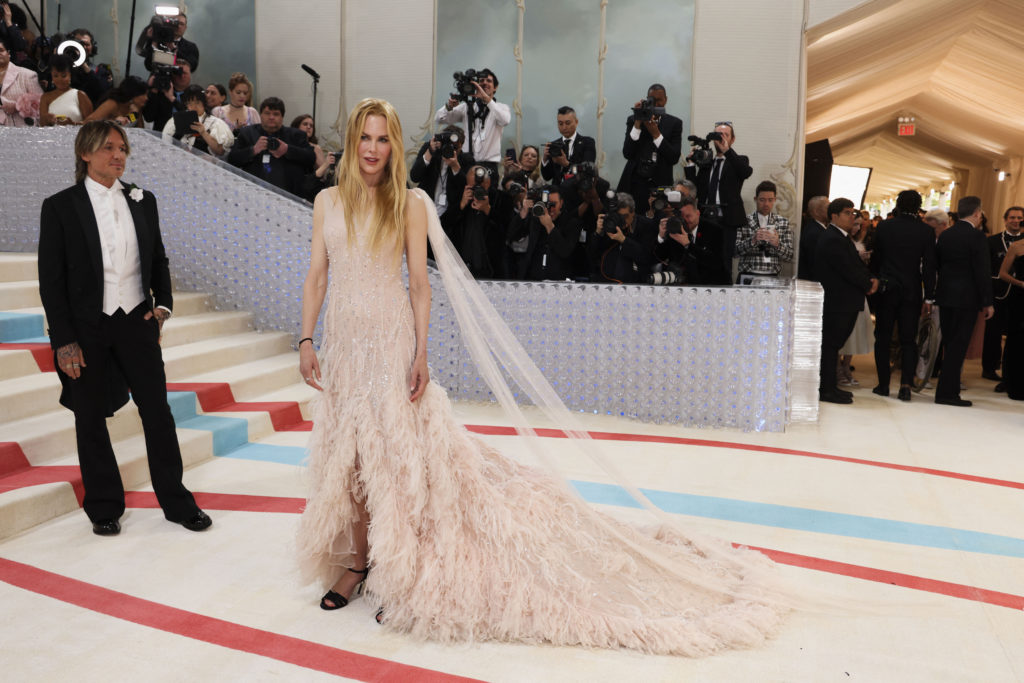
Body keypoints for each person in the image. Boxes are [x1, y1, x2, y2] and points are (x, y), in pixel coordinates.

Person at [295, 97, 783, 654]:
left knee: (395, 457)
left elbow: (420, 284)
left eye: (384, 139)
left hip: (389, 341)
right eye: (365, 138)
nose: (373, 150)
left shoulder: (408, 203)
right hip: (343, 344)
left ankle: (399, 570)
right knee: (349, 455)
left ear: (393, 145)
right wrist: (307, 338)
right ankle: (356, 562)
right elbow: (317, 275)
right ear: (353, 140)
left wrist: (421, 352)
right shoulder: (326, 201)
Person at [36, 120, 212, 536]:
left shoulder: (143, 199)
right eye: (109, 147)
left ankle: (176, 501)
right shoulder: (60, 206)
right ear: (85, 153)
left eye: (123, 149)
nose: (118, 155)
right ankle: (103, 507)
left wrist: (162, 306)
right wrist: (63, 341)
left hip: (136, 319)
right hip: (85, 328)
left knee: (158, 411)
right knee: (90, 417)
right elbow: (51, 280)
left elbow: (158, 260)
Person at [869, 190, 936, 402]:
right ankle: (906, 385)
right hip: (912, 290)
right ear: (918, 207)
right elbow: (929, 267)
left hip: (888, 288)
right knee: (909, 340)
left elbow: (876, 259)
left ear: (898, 204)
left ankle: (883, 384)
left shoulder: (885, 227)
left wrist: (874, 280)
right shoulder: (926, 231)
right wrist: (929, 297)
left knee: (883, 337)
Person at [815, 198, 878, 404]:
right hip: (837, 302)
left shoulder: (841, 237)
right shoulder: (832, 238)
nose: (853, 217)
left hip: (844, 301)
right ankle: (826, 389)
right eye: (847, 213)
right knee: (831, 346)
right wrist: (867, 284)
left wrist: (869, 280)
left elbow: (855, 266)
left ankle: (830, 387)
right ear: (834, 216)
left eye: (853, 213)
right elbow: (847, 269)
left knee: (834, 345)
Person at [934, 196, 994, 407]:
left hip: (946, 296)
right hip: (967, 298)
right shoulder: (977, 237)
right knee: (958, 347)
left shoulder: (946, 234)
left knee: (950, 344)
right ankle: (947, 394)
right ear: (977, 213)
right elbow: (982, 271)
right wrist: (987, 301)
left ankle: (945, 390)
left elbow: (939, 264)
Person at [684, 121, 752, 267]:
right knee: (703, 257)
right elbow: (694, 189)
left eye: (726, 135)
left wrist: (727, 151)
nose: (721, 139)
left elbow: (746, 172)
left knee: (725, 260)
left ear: (732, 139)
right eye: (718, 135)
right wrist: (690, 164)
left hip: (727, 219)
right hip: (705, 217)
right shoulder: (706, 162)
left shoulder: (739, 160)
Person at [226, 96, 315, 195]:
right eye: (267, 113)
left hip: (289, 194)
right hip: (254, 193)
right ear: (261, 115)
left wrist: (287, 149)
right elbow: (232, 159)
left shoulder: (296, 135)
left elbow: (311, 158)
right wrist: (253, 150)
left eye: (276, 114)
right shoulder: (247, 133)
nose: (271, 117)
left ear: (282, 117)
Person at [616, 83, 683, 213]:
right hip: (635, 183)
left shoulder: (674, 123)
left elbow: (674, 157)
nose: (656, 105)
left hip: (660, 184)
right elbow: (627, 153)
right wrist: (637, 123)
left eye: (660, 100)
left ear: (666, 100)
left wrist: (656, 134)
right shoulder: (634, 120)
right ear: (647, 100)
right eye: (652, 101)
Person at [435, 68, 510, 175]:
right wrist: (449, 106)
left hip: (489, 165)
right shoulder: (467, 106)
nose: (484, 83)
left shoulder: (501, 108)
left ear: (495, 87)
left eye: (489, 81)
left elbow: (505, 120)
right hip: (466, 163)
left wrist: (486, 99)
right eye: (481, 81)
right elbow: (439, 119)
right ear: (476, 86)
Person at [982, 206, 1024, 382]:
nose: (1015, 220)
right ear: (1005, 219)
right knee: (993, 332)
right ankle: (989, 367)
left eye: (1019, 218)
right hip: (998, 291)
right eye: (1012, 217)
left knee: (1016, 333)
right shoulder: (992, 241)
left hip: (1019, 295)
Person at [508, 185, 582, 280]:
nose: (550, 209)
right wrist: (524, 211)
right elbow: (512, 236)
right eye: (546, 204)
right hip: (532, 277)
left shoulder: (571, 222)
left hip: (559, 280)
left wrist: (549, 226)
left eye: (553, 204)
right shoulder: (535, 219)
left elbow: (565, 251)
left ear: (561, 203)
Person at [409, 125, 471, 239]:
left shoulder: (466, 160)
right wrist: (429, 153)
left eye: (455, 148)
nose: (451, 150)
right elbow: (414, 176)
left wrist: (455, 167)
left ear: (461, 146)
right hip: (424, 213)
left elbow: (465, 190)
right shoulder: (431, 150)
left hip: (448, 220)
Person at [654, 196, 731, 285]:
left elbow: (716, 263)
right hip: (682, 286)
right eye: (682, 217)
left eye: (688, 216)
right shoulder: (676, 229)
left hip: (711, 284)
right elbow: (661, 256)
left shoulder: (715, 231)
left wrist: (688, 245)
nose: (685, 220)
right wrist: (661, 237)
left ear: (697, 213)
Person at [838, 211, 874, 388]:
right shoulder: (841, 241)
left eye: (859, 224)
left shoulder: (858, 243)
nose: (857, 227)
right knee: (842, 332)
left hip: (858, 293)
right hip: (845, 292)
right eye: (855, 223)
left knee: (856, 332)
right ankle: (838, 368)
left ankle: (846, 366)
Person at [591, 193, 657, 283]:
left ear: (633, 212)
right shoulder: (609, 224)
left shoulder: (647, 225)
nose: (622, 220)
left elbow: (646, 256)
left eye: (625, 216)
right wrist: (598, 232)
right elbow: (592, 255)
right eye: (618, 216)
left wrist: (623, 240)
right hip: (606, 279)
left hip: (635, 281)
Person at [735, 180, 794, 281]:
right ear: (755, 199)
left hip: (772, 277)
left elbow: (789, 256)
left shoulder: (783, 222)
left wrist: (777, 244)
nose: (766, 204)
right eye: (762, 200)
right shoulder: (743, 220)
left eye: (770, 200)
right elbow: (734, 252)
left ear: (775, 200)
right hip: (747, 275)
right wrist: (752, 240)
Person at [161, 84, 233, 156]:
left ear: (204, 103)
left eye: (197, 102)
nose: (193, 107)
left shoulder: (215, 123)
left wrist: (204, 133)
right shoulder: (175, 121)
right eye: (189, 103)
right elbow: (165, 144)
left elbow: (221, 151)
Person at [540, 106, 597, 185]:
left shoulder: (587, 142)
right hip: (558, 192)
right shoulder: (554, 145)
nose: (564, 127)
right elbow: (547, 177)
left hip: (579, 191)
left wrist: (566, 164)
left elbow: (587, 171)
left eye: (567, 123)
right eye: (560, 124)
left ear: (576, 122)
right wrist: (545, 159)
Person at [997, 237, 1024, 399]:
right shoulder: (1017, 246)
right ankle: (1013, 382)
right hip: (1020, 298)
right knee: (1017, 340)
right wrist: (1020, 283)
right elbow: (1002, 274)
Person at [38, 53, 93, 125]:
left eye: (63, 76)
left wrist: (73, 124)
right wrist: (47, 120)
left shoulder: (80, 95)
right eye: (56, 76)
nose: (60, 79)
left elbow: (91, 124)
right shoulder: (45, 98)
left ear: (70, 75)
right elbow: (42, 125)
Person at [0, 35, 42, 126]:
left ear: (8, 53)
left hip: (21, 128)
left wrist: (17, 106)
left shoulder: (27, 75)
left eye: (1, 50)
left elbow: (40, 105)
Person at [84, 75, 148, 128]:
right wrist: (112, 122)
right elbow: (88, 122)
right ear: (134, 94)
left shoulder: (136, 107)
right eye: (144, 94)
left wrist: (135, 114)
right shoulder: (112, 104)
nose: (146, 98)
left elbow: (139, 130)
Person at [798, 195, 829, 281]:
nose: (831, 211)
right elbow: (815, 264)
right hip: (813, 283)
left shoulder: (817, 228)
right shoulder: (814, 232)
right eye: (828, 207)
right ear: (816, 211)